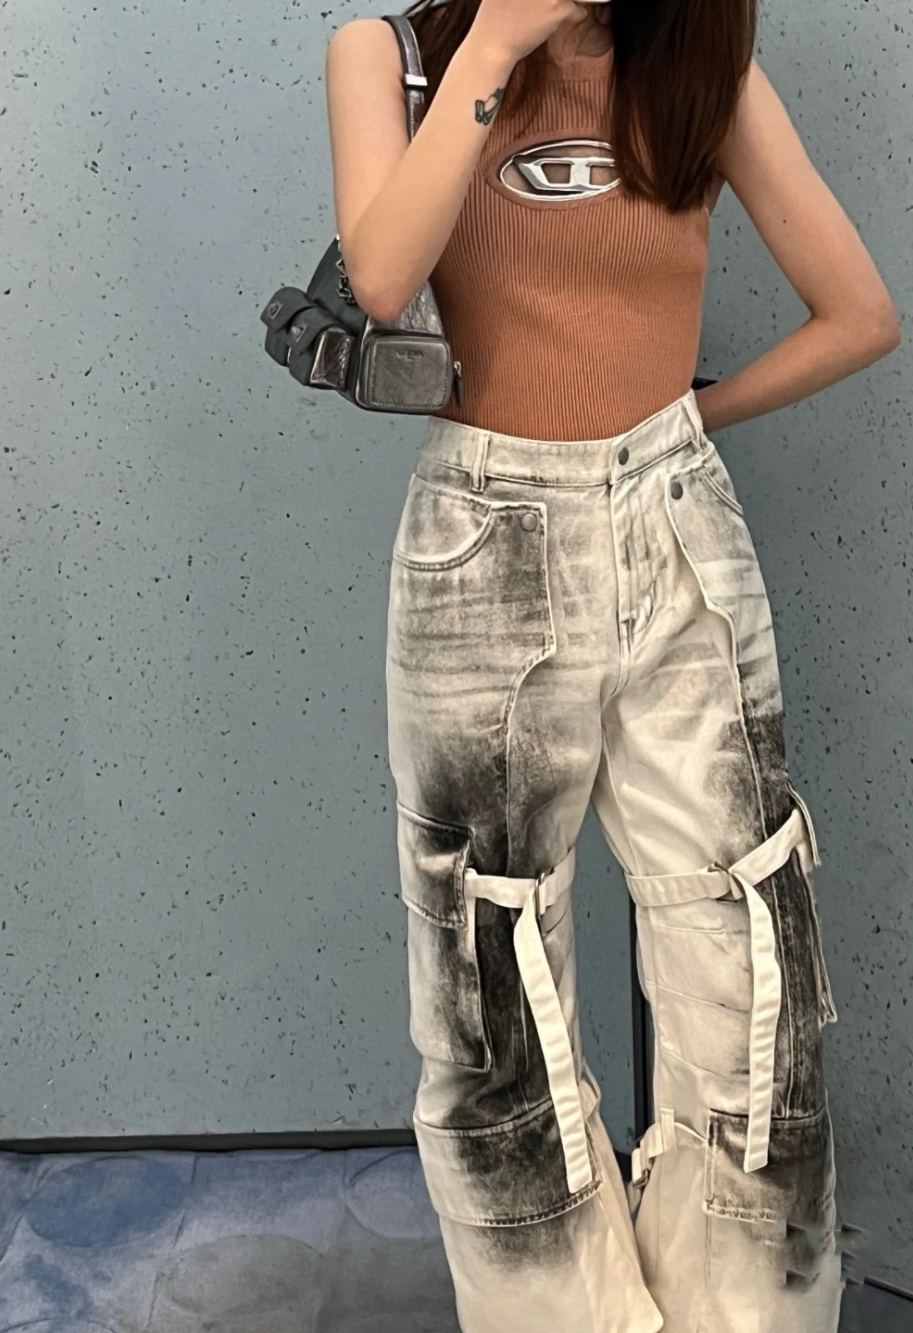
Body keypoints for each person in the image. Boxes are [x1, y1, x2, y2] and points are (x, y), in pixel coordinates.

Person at [325, 2, 901, 1330]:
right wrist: (491, 46)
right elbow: (380, 277)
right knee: (491, 989)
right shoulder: (387, 57)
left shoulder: (699, 71)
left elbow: (861, 313)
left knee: (750, 959)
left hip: (678, 521)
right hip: (485, 537)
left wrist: (694, 413)